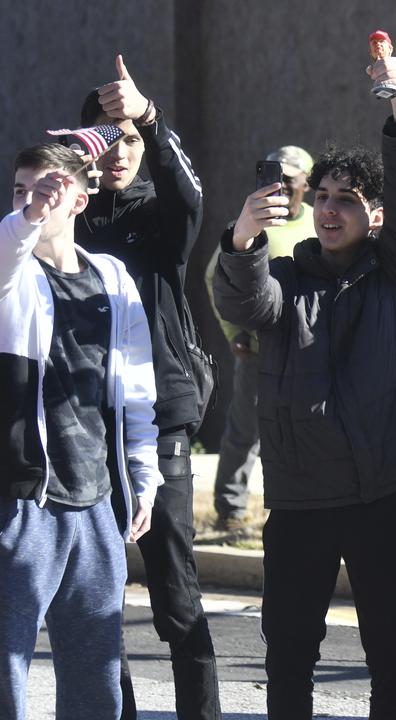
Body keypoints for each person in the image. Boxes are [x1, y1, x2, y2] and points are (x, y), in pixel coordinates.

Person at [214, 54, 396, 718]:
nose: (328, 209)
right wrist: (242, 238)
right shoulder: (285, 276)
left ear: (376, 216)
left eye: (346, 199)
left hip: (380, 497)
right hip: (299, 501)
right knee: (289, 659)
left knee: (393, 659)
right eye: (321, 197)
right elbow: (244, 304)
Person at [74, 54, 219, 719]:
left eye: (129, 138)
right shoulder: (66, 227)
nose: (119, 150)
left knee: (176, 592)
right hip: (82, 431)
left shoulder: (160, 217)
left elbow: (189, 191)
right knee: (98, 595)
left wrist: (150, 118)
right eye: (108, 136)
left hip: (159, 427)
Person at [1, 143, 161, 718]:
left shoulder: (112, 277)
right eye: (19, 190)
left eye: (44, 189)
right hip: (21, 505)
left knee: (96, 677)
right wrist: (27, 218)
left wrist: (143, 478)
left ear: (80, 200)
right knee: (6, 668)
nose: (30, 199)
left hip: (95, 503)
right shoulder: (11, 274)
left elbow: (136, 389)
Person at [204, 145, 314, 531]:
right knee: (246, 429)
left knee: (305, 430)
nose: (281, 187)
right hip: (258, 349)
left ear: (307, 184)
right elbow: (215, 275)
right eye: (274, 178)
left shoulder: (321, 223)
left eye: (289, 180)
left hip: (309, 351)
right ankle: (230, 510)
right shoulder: (252, 224)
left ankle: (300, 507)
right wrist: (233, 332)